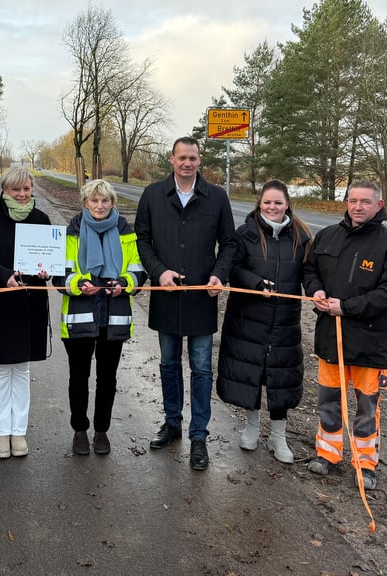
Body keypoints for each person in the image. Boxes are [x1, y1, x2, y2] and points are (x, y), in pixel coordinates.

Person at [134, 136, 236, 471]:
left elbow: (230, 245)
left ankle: (199, 435)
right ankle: (172, 422)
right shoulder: (153, 195)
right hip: (166, 298)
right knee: (168, 364)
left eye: (192, 158)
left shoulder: (216, 198)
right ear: (171, 159)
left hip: (201, 299)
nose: (187, 163)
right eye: (182, 158)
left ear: (200, 160)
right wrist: (158, 272)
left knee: (202, 369)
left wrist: (219, 275)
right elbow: (142, 240)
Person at [303, 179, 387, 491]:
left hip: (370, 344)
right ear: (346, 203)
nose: (358, 207)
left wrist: (347, 307)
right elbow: (309, 270)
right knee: (329, 401)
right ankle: (328, 453)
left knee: (366, 408)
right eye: (353, 200)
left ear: (379, 205)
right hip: (330, 340)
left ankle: (365, 463)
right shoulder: (327, 237)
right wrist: (316, 290)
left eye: (365, 201)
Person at [216, 180, 312, 464]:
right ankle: (252, 427)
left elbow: (310, 273)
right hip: (249, 317)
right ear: (260, 204)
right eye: (267, 202)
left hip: (285, 319)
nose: (272, 207)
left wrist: (318, 292)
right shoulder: (245, 233)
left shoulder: (301, 236)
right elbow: (233, 268)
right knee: (253, 373)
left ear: (287, 205)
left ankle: (278, 436)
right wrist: (256, 283)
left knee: (281, 376)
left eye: (278, 203)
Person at [56, 179, 146, 456]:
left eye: (105, 200)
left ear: (112, 203)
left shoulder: (126, 233)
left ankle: (102, 430)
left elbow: (139, 271)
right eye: (94, 200)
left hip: (114, 315)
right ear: (85, 203)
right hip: (79, 314)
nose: (99, 205)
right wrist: (80, 283)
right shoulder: (71, 233)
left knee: (108, 378)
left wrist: (124, 283)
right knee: (78, 377)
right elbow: (61, 275)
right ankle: (80, 430)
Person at [0, 167, 52, 459]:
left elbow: (50, 261)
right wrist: (4, 274)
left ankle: (18, 431)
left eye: (27, 189)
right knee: (0, 370)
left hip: (29, 303)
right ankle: (0, 432)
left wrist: (47, 273)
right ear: (4, 190)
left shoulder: (41, 219)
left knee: (21, 370)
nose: (22, 195)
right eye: (16, 189)